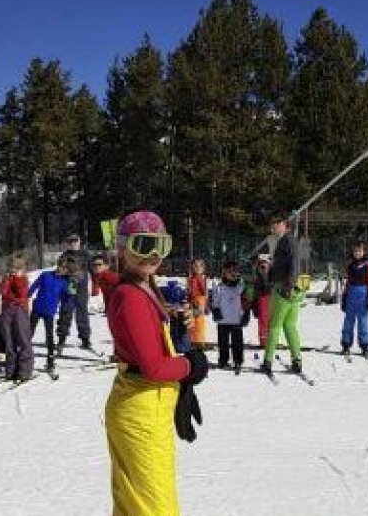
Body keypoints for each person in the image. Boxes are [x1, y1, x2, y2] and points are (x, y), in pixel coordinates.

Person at [105, 211, 208, 516]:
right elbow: (154, 367)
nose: (152, 255)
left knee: (135, 506)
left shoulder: (145, 287)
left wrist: (174, 326)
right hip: (142, 408)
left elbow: (148, 344)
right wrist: (192, 365)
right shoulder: (132, 295)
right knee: (155, 508)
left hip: (145, 403)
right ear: (123, 249)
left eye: (160, 246)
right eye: (142, 245)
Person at [260, 213, 306, 375]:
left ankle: (268, 361)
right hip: (289, 288)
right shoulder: (285, 241)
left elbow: (294, 265)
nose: (273, 227)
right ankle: (297, 360)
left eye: (276, 224)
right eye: (272, 224)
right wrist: (269, 269)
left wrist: (288, 286)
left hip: (284, 289)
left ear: (285, 225)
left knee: (274, 326)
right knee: (290, 326)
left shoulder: (288, 241)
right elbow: (287, 265)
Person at [29, 255, 76, 373]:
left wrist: (73, 286)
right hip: (37, 309)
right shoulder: (45, 275)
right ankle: (24, 357)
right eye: (60, 266)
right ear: (58, 265)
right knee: (29, 333)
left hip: (49, 312)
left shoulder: (64, 283)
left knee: (49, 336)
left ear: (67, 271)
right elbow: (33, 287)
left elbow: (68, 297)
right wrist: (25, 297)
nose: (61, 269)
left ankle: (50, 361)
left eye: (65, 269)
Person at [0, 254, 34, 381]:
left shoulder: (23, 280)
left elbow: (21, 293)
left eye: (19, 267)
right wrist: (7, 279)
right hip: (7, 310)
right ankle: (11, 370)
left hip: (20, 310)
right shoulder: (6, 278)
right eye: (12, 266)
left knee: (23, 340)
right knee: (9, 341)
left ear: (24, 269)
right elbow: (2, 291)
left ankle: (25, 371)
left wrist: (17, 278)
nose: (15, 269)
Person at [208, 260, 250, 374]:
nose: (232, 274)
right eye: (228, 271)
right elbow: (215, 299)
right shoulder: (218, 286)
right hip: (223, 319)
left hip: (236, 319)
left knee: (237, 341)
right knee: (223, 342)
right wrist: (215, 310)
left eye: (234, 272)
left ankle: (238, 360)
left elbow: (245, 300)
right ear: (223, 272)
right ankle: (223, 359)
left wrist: (246, 313)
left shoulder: (241, 286)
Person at [57, 233, 94, 352]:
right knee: (66, 312)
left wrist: (96, 284)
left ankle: (85, 339)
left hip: (82, 288)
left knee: (82, 313)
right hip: (69, 287)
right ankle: (61, 339)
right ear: (68, 243)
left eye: (75, 241)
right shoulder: (64, 256)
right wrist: (67, 272)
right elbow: (59, 271)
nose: (73, 243)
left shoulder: (85, 254)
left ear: (79, 242)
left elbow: (93, 270)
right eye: (70, 241)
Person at [341, 240, 368, 359]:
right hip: (351, 295)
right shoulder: (351, 265)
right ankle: (346, 344)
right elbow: (348, 282)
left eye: (360, 251)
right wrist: (344, 297)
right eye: (355, 251)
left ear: (364, 252)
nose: (357, 253)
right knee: (348, 321)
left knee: (363, 322)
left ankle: (364, 345)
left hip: (363, 296)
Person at [251, 254, 272, 348]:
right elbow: (255, 293)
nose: (263, 268)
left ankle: (271, 340)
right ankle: (263, 341)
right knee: (263, 320)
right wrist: (254, 306)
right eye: (261, 266)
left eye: (265, 266)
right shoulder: (257, 277)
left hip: (271, 298)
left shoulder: (272, 276)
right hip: (261, 298)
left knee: (272, 321)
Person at [186, 259, 209, 349]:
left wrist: (205, 304)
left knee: (199, 322)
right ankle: (192, 340)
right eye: (195, 266)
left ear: (203, 268)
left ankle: (199, 342)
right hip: (192, 301)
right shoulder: (191, 278)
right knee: (191, 322)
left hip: (200, 301)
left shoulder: (203, 278)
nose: (198, 268)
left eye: (200, 266)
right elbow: (188, 291)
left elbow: (205, 292)